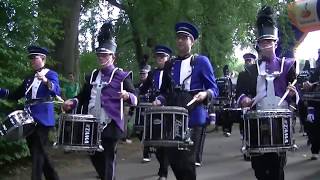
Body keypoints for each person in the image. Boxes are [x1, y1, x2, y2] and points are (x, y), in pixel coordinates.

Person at [62, 22, 137, 180]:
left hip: (111, 123)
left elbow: (136, 97)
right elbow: (81, 97)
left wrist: (127, 96)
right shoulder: (92, 76)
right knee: (94, 155)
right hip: (91, 122)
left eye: (105, 55)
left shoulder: (122, 75)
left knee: (108, 157)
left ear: (113, 57)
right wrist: (72, 102)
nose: (102, 58)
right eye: (100, 55)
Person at [236, 6, 297, 180]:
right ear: (259, 45)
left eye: (269, 42)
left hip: (280, 122)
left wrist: (293, 93)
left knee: (277, 167)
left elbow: (295, 90)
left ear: (276, 44)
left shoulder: (287, 65)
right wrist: (244, 99)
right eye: (263, 42)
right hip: (257, 122)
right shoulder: (249, 70)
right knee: (259, 168)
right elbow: (241, 93)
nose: (266, 46)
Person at [154, 22, 219, 180]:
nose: (180, 41)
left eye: (184, 38)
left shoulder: (201, 61)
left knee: (186, 161)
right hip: (172, 116)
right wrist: (159, 99)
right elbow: (165, 91)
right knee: (174, 158)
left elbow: (214, 88)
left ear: (192, 41)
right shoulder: (170, 64)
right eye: (178, 38)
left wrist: (205, 94)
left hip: (193, 116)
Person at [0, 46, 61, 180]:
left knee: (38, 155)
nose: (32, 61)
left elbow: (56, 91)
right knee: (38, 153)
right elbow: (15, 94)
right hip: (28, 120)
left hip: (43, 120)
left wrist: (45, 81)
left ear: (43, 59)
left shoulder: (51, 74)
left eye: (35, 58)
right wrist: (1, 92)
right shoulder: (29, 78)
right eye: (31, 58)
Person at [139, 45, 172, 180]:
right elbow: (143, 88)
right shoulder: (152, 73)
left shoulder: (172, 73)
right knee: (156, 142)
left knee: (164, 142)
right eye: (157, 57)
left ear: (168, 58)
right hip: (154, 111)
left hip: (168, 111)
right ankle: (163, 167)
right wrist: (132, 94)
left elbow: (173, 92)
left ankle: (163, 172)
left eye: (162, 57)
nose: (159, 59)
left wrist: (161, 99)